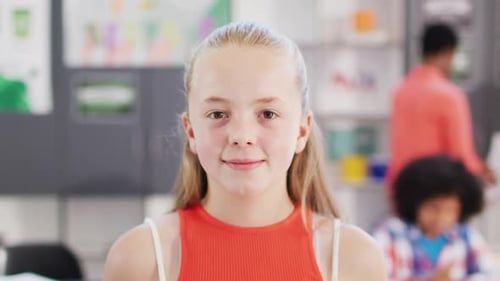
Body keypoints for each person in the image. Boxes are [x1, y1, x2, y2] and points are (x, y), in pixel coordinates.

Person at [103, 22, 387, 281]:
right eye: (217, 114)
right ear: (191, 131)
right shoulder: (140, 258)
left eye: (267, 113)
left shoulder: (353, 260)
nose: (241, 136)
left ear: (302, 131)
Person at [387, 22, 495, 198]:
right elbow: (461, 156)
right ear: (448, 52)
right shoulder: (449, 95)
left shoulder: (401, 91)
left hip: (402, 190)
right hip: (436, 194)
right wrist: (483, 171)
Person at [373, 155, 498, 281]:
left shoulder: (466, 236)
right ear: (415, 203)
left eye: (451, 210)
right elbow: (375, 277)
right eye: (434, 208)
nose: (442, 217)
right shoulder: (391, 233)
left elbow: (491, 274)